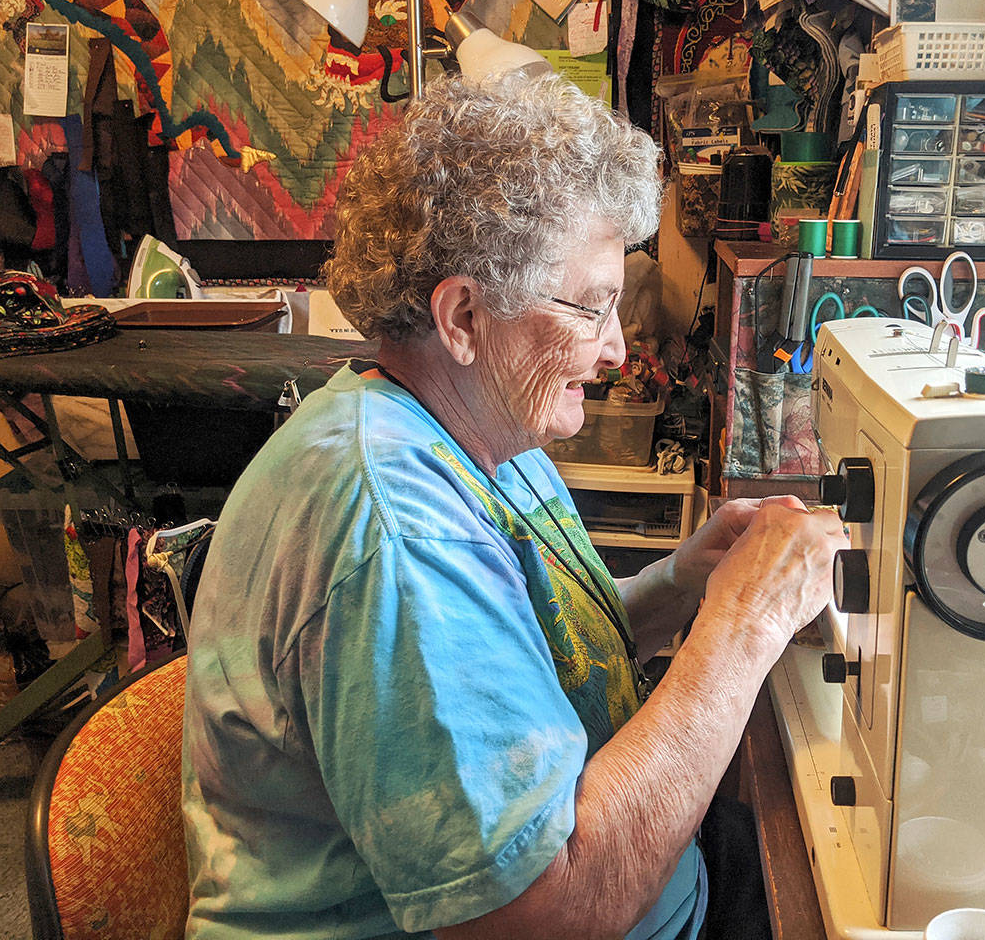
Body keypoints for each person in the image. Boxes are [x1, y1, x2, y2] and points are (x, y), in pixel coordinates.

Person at [181, 71, 845, 940]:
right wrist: (746, 626)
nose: (615, 350)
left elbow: (527, 650)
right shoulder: (395, 529)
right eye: (593, 309)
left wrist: (686, 585)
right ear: (463, 315)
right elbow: (543, 917)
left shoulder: (474, 426)